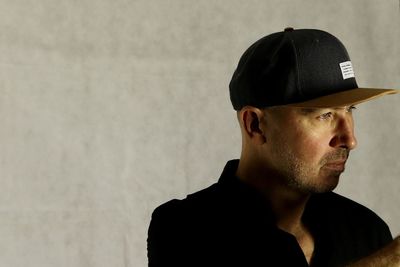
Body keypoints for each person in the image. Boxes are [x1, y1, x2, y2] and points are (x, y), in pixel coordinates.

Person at [147, 28, 399, 266]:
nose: (350, 139)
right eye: (324, 115)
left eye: (349, 110)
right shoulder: (185, 228)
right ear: (255, 124)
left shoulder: (367, 229)